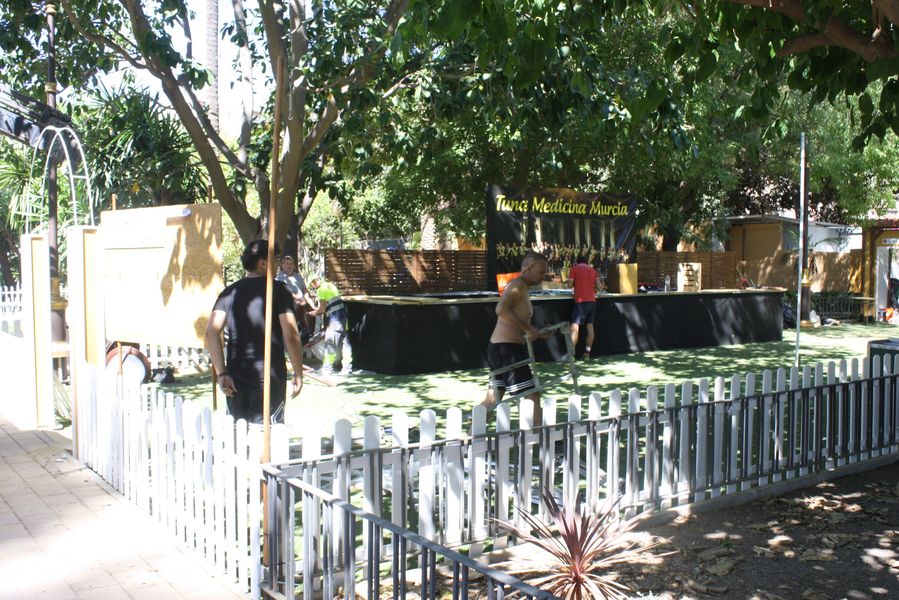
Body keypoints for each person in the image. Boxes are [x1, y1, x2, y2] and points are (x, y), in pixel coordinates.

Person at [205, 240, 304, 424]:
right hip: (268, 376)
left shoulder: (229, 292)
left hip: (235, 376)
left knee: (238, 433)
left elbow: (211, 332)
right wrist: (298, 372)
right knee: (268, 432)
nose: (277, 265)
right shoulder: (278, 290)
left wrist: (222, 374)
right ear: (262, 263)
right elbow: (290, 334)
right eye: (275, 260)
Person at [484, 252, 548, 422]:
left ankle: (470, 436)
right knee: (532, 395)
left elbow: (516, 321)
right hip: (507, 350)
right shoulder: (517, 285)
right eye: (541, 272)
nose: (543, 276)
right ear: (529, 268)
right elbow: (501, 309)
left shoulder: (521, 287)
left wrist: (536, 331)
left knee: (492, 399)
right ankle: (541, 435)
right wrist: (529, 329)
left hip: (501, 349)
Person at [308, 277, 351, 375]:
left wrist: (313, 313)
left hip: (334, 321)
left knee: (330, 345)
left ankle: (327, 369)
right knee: (346, 345)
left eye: (312, 285)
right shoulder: (331, 285)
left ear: (314, 282)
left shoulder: (321, 290)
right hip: (344, 319)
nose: (313, 287)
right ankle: (347, 368)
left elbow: (322, 309)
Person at [567, 255, 602, 359]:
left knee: (575, 327)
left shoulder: (574, 269)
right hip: (592, 302)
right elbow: (599, 288)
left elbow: (569, 286)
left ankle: (571, 355)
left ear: (577, 262)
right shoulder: (593, 271)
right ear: (586, 262)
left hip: (581, 303)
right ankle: (587, 354)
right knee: (590, 326)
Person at [276, 255, 315, 340]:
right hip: (288, 310)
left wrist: (312, 305)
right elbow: (283, 292)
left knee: (311, 317)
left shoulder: (298, 276)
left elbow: (304, 290)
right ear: (282, 265)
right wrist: (296, 298)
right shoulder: (279, 278)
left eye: (291, 263)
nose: (289, 266)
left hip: (302, 308)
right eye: (287, 264)